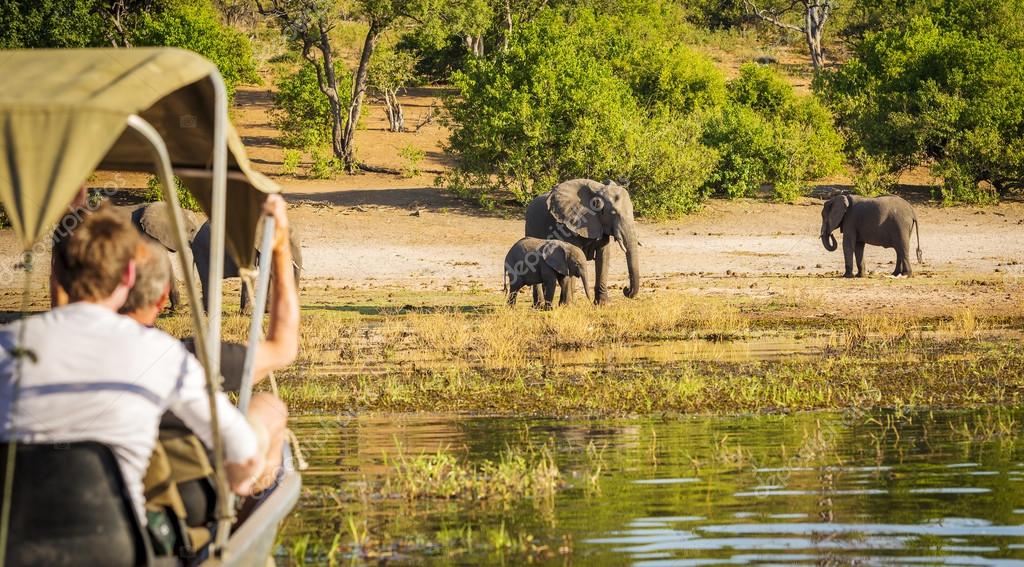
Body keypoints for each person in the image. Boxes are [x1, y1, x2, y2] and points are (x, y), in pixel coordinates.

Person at [0, 204, 262, 524]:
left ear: (55, 271)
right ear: (128, 275)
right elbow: (244, 451)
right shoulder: (160, 352)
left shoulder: (6, 346)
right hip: (120, 544)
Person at [122, 194, 299, 496]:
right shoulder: (183, 360)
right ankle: (236, 526)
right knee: (269, 407)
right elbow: (283, 347)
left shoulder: (17, 352)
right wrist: (280, 248)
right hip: (170, 511)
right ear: (163, 296)